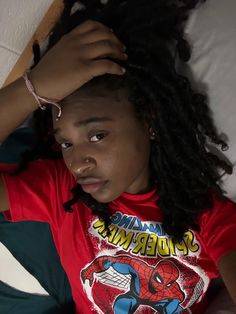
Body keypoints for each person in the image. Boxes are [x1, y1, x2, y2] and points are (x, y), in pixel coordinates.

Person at [0, 0, 236, 313]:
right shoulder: (62, 190)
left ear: (148, 120)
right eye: (66, 144)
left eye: (97, 135)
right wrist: (34, 87)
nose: (78, 162)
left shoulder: (208, 215)